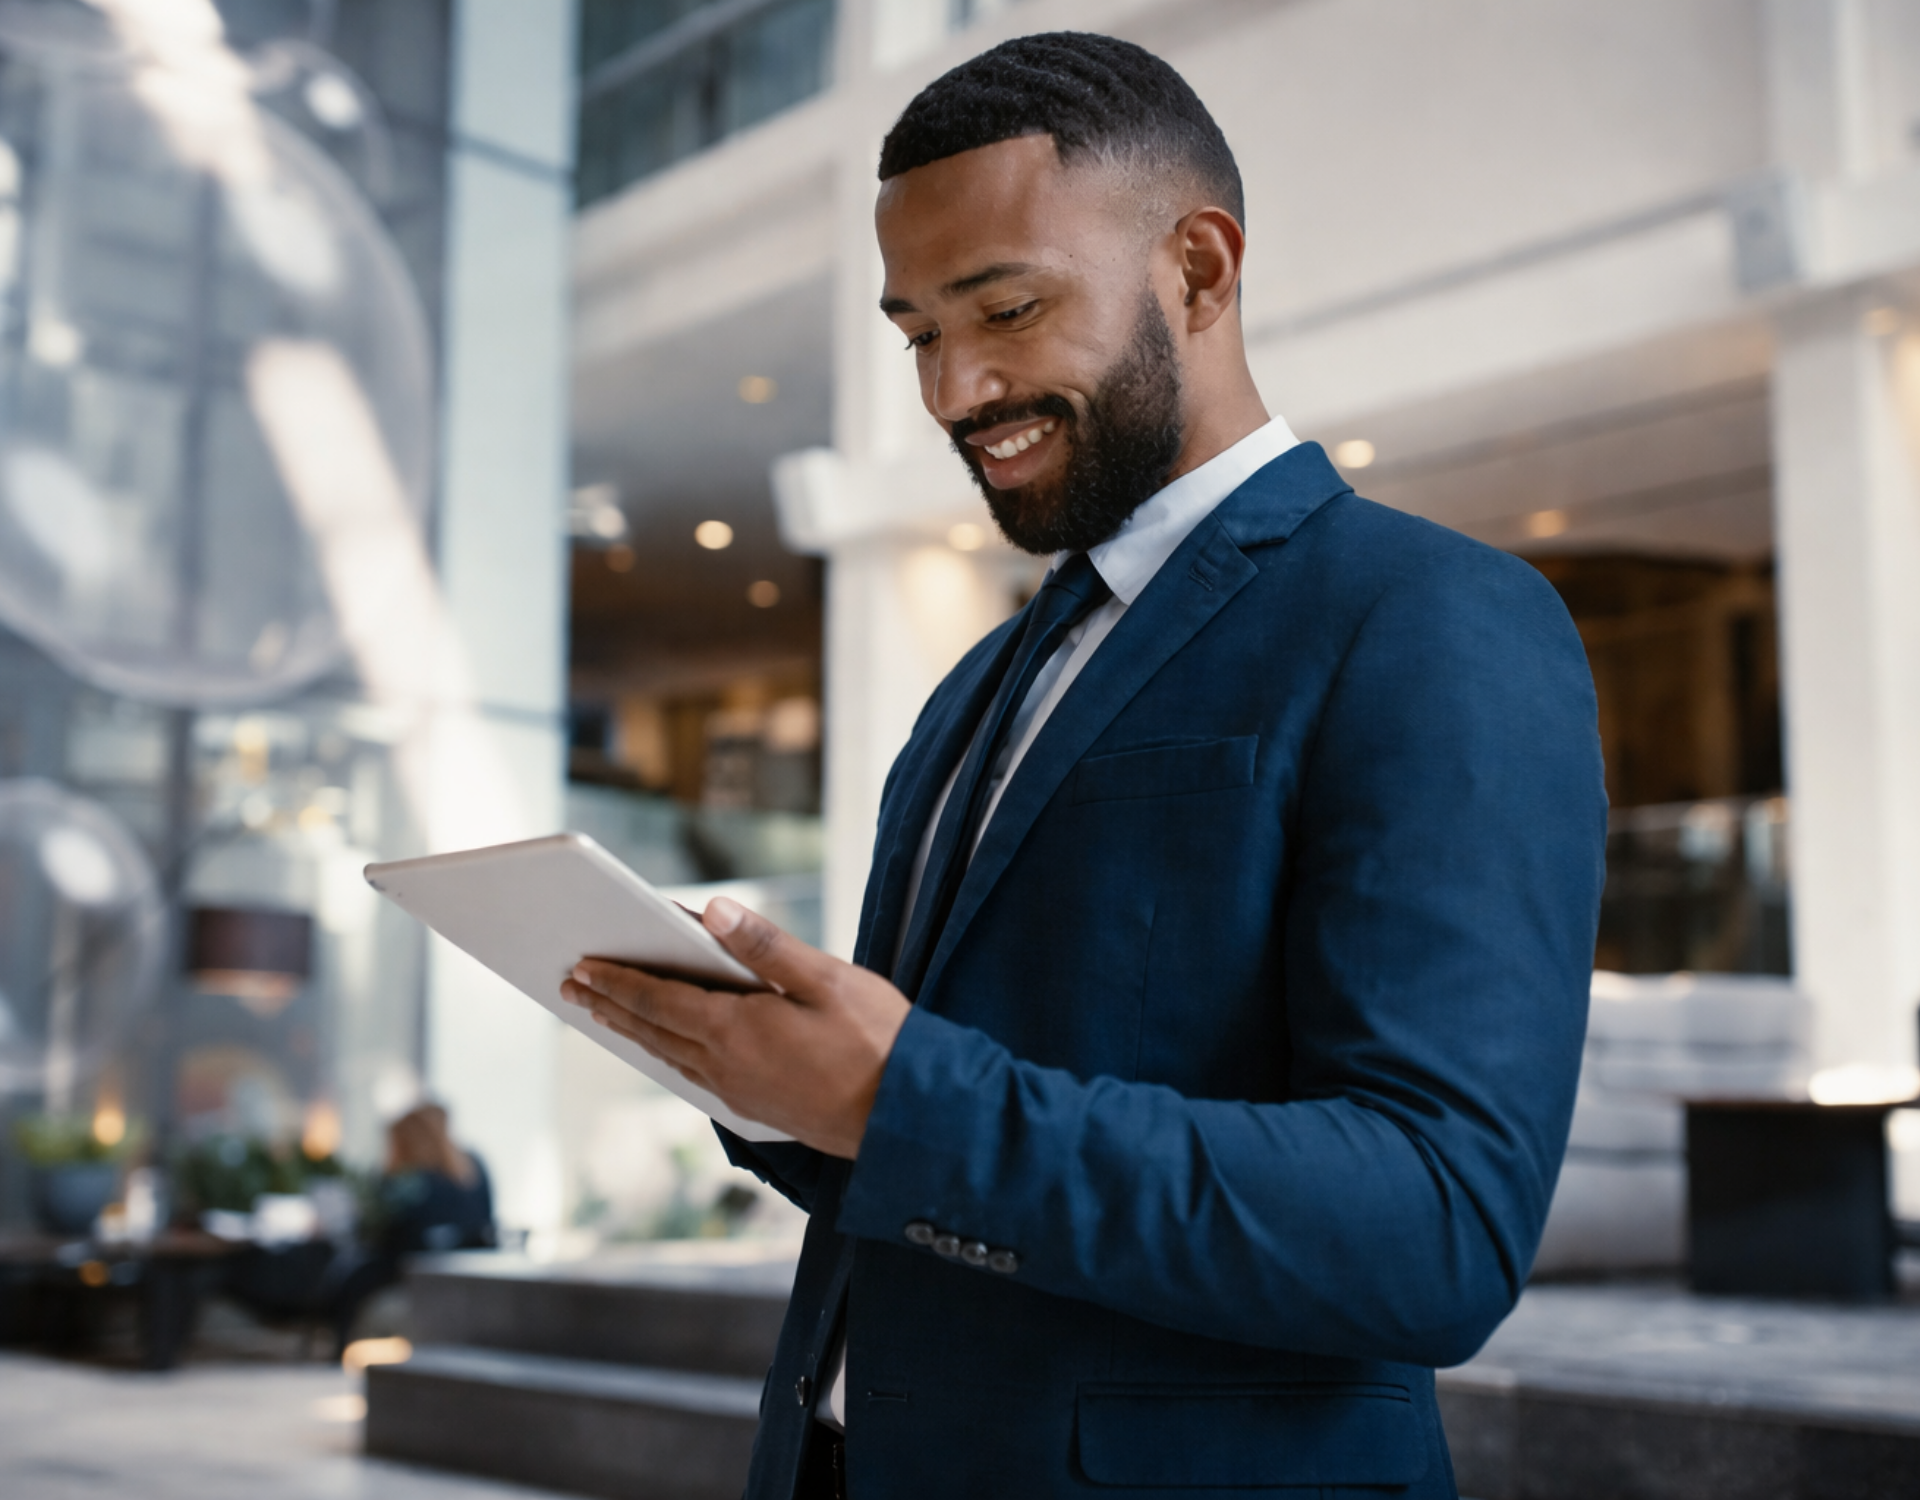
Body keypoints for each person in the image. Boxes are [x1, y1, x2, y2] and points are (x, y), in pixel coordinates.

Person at [563, 31, 1604, 1498]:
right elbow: (915, 1140)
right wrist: (751, 1066)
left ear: (1197, 270)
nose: (953, 389)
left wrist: (899, 1096)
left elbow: (1436, 1228)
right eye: (918, 331)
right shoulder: (978, 689)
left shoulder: (1431, 621)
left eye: (1008, 308)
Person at [325, 1103, 494, 1356]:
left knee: (347, 1278)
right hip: (463, 1272)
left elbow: (386, 1237)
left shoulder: (409, 1182)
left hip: (412, 1270)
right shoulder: (472, 1170)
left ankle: (337, 1353)